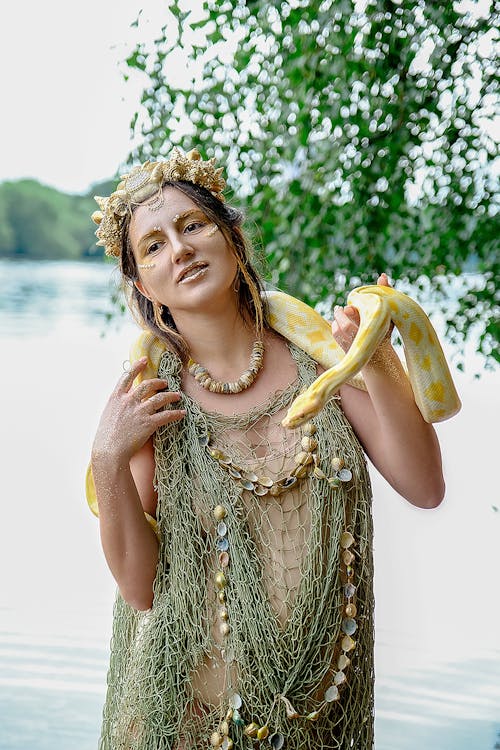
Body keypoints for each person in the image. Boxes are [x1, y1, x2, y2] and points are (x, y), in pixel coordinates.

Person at [88, 148, 445, 750]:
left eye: (192, 225)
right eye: (152, 246)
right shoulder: (146, 399)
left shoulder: (324, 363)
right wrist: (107, 458)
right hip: (182, 721)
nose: (178, 249)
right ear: (142, 285)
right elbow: (139, 587)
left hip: (316, 718)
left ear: (230, 233)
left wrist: (376, 356)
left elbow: (425, 486)